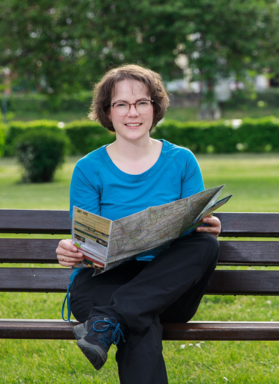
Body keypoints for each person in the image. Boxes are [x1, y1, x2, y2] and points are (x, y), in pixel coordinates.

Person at [55, 64, 221, 383]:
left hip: (168, 287)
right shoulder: (88, 169)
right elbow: (87, 239)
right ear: (107, 111)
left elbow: (195, 222)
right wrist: (71, 249)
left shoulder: (182, 160)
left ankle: (109, 320)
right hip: (103, 283)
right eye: (121, 104)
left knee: (205, 244)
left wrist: (209, 225)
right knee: (140, 322)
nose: (133, 112)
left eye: (141, 102)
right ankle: (115, 318)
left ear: (155, 108)